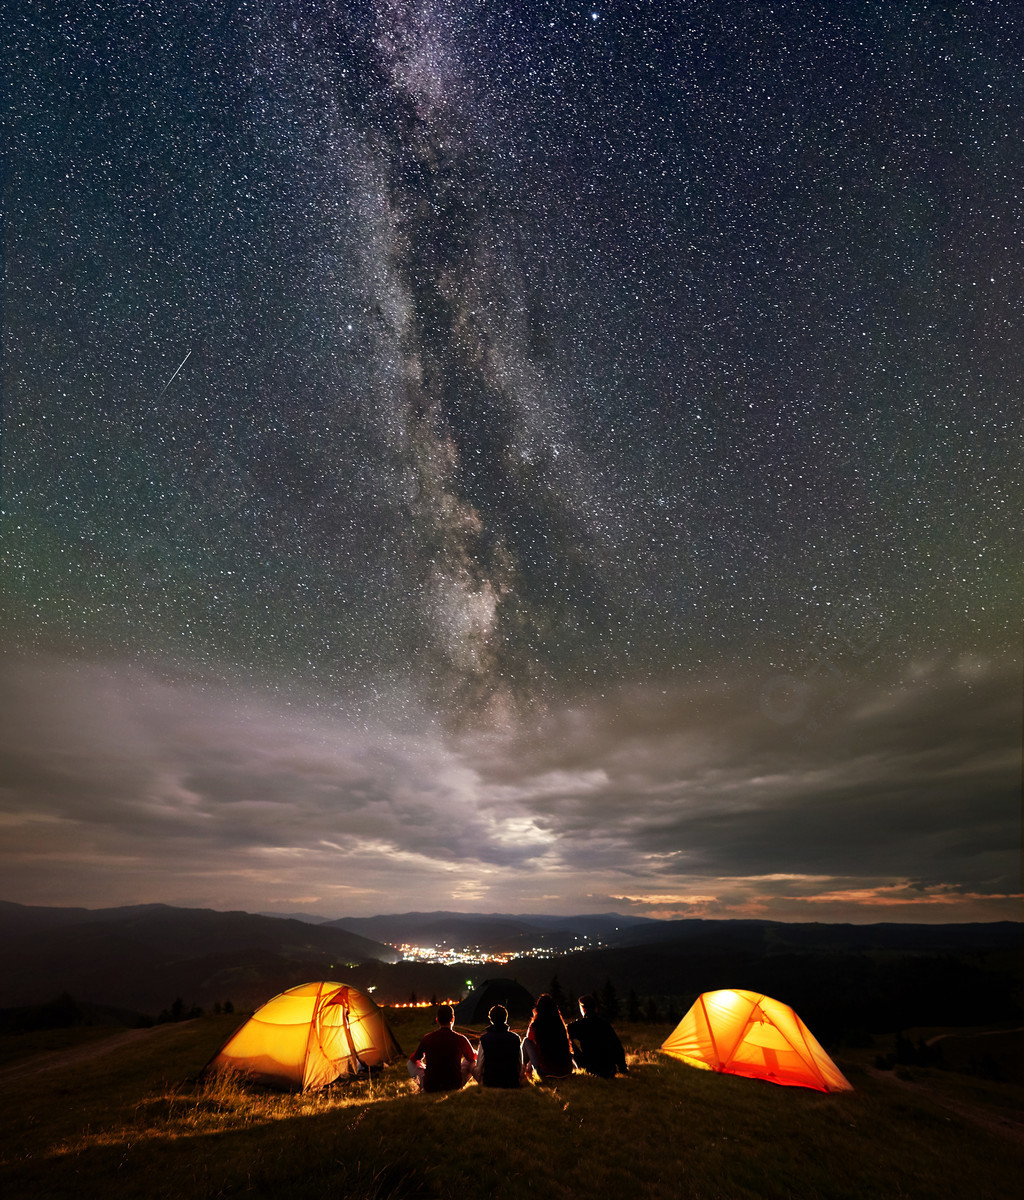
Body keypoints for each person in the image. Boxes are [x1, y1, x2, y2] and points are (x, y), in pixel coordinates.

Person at [408, 1004, 476, 1093]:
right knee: (472, 1059)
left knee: (410, 1063)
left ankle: (423, 1086)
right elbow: (472, 1057)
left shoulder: (427, 1038)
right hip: (454, 1085)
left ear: (437, 1020)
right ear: (453, 1019)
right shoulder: (461, 1039)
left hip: (431, 1086)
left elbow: (414, 1058)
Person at [567, 993, 627, 1078]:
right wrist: (622, 1067)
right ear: (595, 1009)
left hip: (590, 1068)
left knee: (566, 1041)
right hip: (609, 1070)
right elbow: (617, 1047)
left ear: (583, 1009)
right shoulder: (605, 1024)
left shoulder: (580, 1025)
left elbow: (563, 1031)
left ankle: (562, 1069)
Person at [522, 992, 574, 1079]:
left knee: (526, 1042)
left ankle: (524, 1071)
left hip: (546, 1072)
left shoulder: (536, 1024)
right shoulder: (560, 1024)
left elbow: (529, 1038)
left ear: (538, 1008)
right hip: (567, 1070)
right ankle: (527, 1070)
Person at [474, 1005, 524, 1089]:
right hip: (512, 1083)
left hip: (490, 1083)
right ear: (506, 1019)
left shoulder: (484, 1039)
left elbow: (480, 1065)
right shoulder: (515, 1038)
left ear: (491, 1020)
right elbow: (519, 1063)